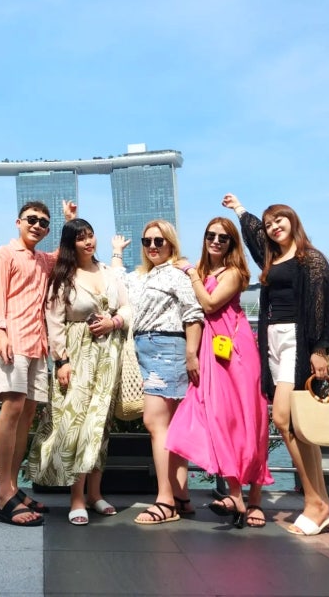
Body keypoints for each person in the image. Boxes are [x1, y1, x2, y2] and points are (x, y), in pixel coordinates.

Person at [222, 194, 329, 536]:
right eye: (269, 223)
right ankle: (323, 503)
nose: (273, 227)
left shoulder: (311, 259)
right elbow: (254, 235)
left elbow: (324, 306)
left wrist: (320, 348)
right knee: (300, 428)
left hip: (295, 341)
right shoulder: (271, 257)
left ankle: (314, 502)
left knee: (283, 418)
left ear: (293, 220)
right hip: (272, 339)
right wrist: (239, 209)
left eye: (279, 220)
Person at [167, 217, 274, 528]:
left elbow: (211, 304)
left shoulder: (234, 272)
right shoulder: (202, 272)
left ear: (231, 244)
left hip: (235, 352)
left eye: (223, 238)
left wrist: (190, 272)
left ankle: (254, 500)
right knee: (216, 419)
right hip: (210, 352)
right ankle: (236, 495)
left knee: (249, 419)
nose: (215, 241)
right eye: (210, 235)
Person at [28, 218, 131, 525]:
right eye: (81, 238)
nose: (88, 242)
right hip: (78, 354)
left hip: (108, 355)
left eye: (90, 235)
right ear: (70, 244)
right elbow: (54, 322)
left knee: (101, 424)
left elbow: (127, 307)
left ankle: (95, 494)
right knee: (78, 425)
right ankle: (76, 498)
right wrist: (61, 361)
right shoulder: (64, 277)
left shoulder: (108, 272)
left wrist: (114, 322)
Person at [0, 199, 76, 527]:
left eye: (43, 223)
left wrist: (70, 221)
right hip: (13, 341)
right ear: (18, 222)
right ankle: (3, 493)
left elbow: (65, 254)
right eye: (31, 219)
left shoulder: (42, 260)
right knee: (11, 410)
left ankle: (13, 487)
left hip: (38, 345)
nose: (37, 225)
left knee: (26, 416)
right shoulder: (4, 255)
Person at [112, 220, 203, 525]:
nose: (152, 246)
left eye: (159, 241)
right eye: (147, 241)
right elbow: (117, 282)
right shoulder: (141, 276)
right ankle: (181, 496)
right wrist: (116, 252)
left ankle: (165, 501)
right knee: (170, 426)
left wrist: (191, 354)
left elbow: (193, 314)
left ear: (171, 243)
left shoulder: (177, 274)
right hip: (144, 348)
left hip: (167, 347)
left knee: (155, 421)